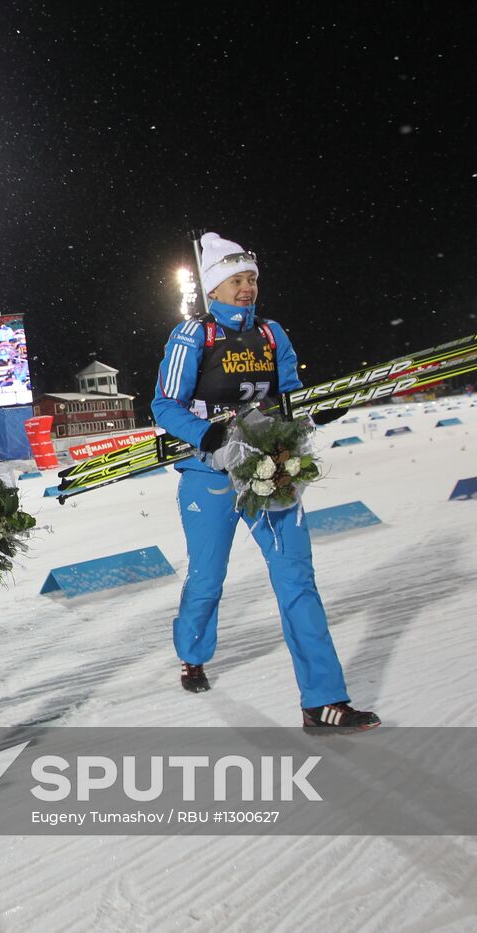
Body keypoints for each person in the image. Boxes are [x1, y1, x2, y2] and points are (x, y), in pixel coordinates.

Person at [151, 232, 378, 731]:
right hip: (209, 474)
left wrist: (318, 412)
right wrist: (207, 435)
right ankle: (192, 654)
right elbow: (164, 405)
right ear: (213, 288)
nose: (246, 288)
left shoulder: (273, 334)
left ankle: (323, 700)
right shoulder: (193, 335)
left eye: (251, 279)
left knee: (297, 579)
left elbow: (292, 399)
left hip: (266, 470)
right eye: (236, 280)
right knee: (208, 578)